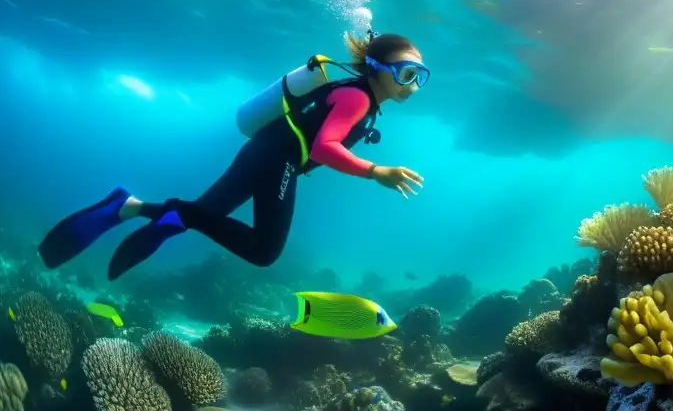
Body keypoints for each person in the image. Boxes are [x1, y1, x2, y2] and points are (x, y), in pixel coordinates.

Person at [38, 31, 427, 281]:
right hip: (278, 161)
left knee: (203, 214)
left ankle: (130, 206)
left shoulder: (358, 93)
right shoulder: (357, 96)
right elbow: (325, 148)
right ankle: (169, 211)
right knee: (264, 251)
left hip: (261, 152)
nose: (414, 84)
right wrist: (376, 170)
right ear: (377, 69)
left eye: (420, 76)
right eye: (407, 73)